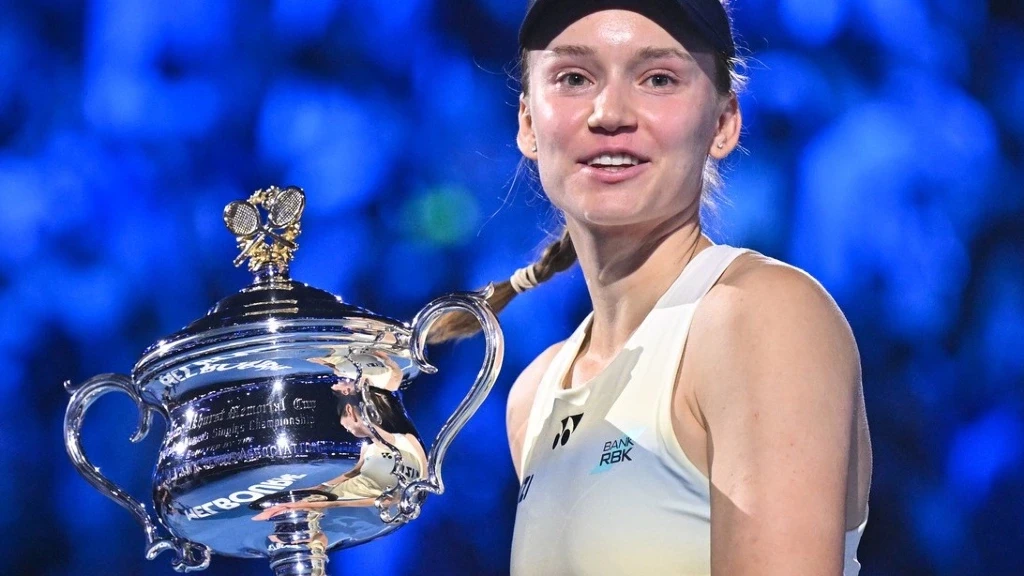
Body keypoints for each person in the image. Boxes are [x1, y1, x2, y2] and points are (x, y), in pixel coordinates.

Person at [429, 0, 872, 574]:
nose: (610, 112)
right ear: (528, 124)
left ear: (723, 123)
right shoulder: (534, 397)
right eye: (574, 78)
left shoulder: (758, 317)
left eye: (658, 78)